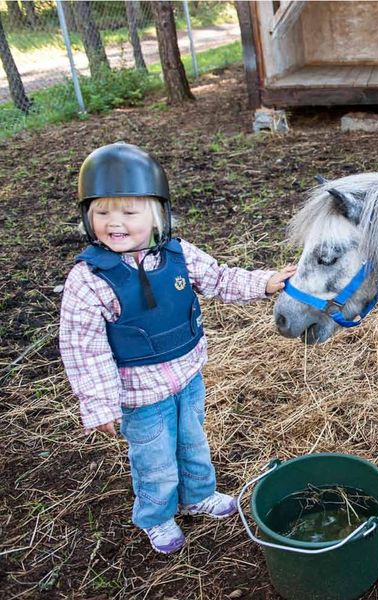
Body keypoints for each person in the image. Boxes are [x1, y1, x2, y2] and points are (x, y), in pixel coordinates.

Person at [59, 143, 296, 554]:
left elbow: (220, 279)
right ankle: (157, 516)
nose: (114, 222)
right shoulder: (89, 280)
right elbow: (84, 348)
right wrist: (99, 404)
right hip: (140, 394)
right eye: (102, 212)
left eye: (129, 212)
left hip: (188, 377)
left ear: (157, 216)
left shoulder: (179, 255)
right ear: (86, 217)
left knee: (192, 442)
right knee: (155, 461)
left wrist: (264, 282)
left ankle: (199, 494)